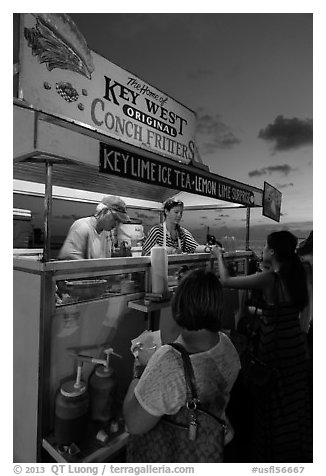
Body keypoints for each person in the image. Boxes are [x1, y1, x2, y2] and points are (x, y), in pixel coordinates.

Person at [212, 231, 312, 462]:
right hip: (295, 344)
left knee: (272, 400)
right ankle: (296, 451)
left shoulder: (270, 279)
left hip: (275, 345)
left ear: (273, 252)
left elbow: (226, 281)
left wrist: (218, 256)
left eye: (266, 247)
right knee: (292, 402)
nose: (263, 251)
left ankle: (271, 454)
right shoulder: (300, 273)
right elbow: (284, 311)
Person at [123, 268, 241, 462]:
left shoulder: (170, 362)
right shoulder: (226, 344)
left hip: (177, 453)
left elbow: (134, 424)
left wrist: (140, 372)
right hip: (212, 447)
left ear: (179, 306)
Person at [58, 195, 131, 260]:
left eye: (119, 221)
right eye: (115, 219)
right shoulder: (82, 227)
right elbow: (68, 257)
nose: (116, 225)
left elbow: (107, 257)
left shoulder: (107, 232)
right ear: (104, 212)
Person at [142, 198, 209, 256]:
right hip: (160, 270)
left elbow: (195, 247)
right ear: (166, 211)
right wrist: (165, 251)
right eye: (176, 212)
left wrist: (208, 249)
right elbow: (145, 253)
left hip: (178, 270)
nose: (179, 215)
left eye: (181, 213)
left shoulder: (182, 233)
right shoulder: (157, 231)